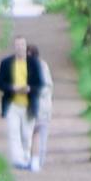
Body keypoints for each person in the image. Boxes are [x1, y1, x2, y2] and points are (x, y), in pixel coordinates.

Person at [0, 35, 46, 169]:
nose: (20, 48)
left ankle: (26, 157)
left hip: (29, 105)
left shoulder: (34, 63)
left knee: (27, 134)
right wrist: (12, 88)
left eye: (22, 45)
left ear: (25, 46)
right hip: (12, 104)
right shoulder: (6, 63)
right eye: (17, 45)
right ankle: (18, 160)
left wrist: (29, 89)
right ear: (14, 47)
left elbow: (40, 84)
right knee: (13, 132)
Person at [27, 44, 54, 172]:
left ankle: (36, 160)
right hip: (33, 106)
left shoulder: (41, 67)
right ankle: (35, 160)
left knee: (38, 132)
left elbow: (46, 87)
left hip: (40, 106)